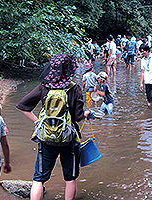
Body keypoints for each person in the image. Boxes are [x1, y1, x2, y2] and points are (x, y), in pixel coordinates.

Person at [16, 54, 92, 200]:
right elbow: (77, 117)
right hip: (68, 139)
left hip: (46, 139)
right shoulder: (74, 88)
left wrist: (38, 122)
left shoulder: (44, 86)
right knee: (70, 178)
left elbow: (23, 106)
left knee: (39, 179)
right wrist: (86, 113)